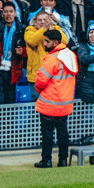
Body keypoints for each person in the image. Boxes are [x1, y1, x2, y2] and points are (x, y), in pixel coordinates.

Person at [34, 29, 78, 168]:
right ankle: (63, 161)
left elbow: (40, 81)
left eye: (47, 42)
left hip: (49, 105)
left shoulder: (52, 58)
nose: (44, 44)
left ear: (55, 43)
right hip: (65, 104)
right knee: (63, 134)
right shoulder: (71, 55)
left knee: (47, 135)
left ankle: (46, 161)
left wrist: (39, 90)